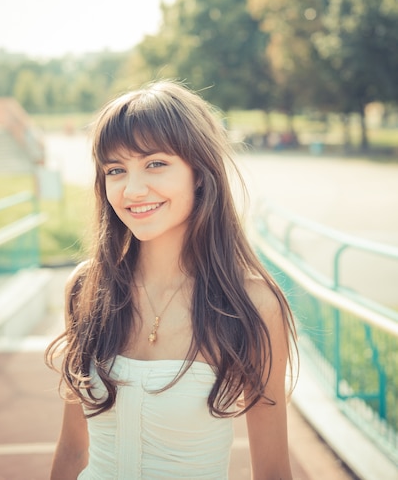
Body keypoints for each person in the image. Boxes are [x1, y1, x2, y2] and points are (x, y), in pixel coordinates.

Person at [45, 80, 297, 480]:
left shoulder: (252, 304)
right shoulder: (86, 288)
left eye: (155, 164)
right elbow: (74, 450)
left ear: (199, 171)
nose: (133, 189)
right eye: (116, 170)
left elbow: (272, 471)